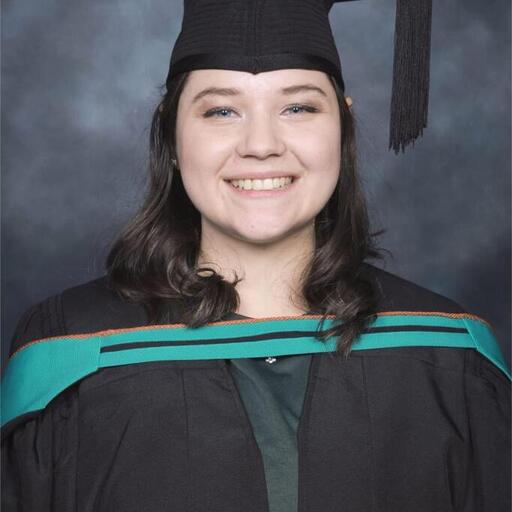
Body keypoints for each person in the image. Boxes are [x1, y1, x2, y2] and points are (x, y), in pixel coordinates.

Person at [2, 1, 510, 511]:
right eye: (221, 111)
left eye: (299, 108)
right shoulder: (70, 354)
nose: (261, 145)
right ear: (171, 135)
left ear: (343, 127)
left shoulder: (449, 356)